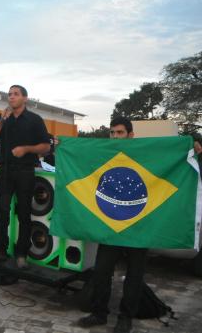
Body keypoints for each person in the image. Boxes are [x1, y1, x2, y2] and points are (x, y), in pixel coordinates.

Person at [77, 117, 147, 333]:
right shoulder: (105, 153)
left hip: (138, 228)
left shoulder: (145, 154)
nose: (115, 136)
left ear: (131, 135)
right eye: (112, 133)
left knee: (134, 277)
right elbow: (82, 158)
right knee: (101, 272)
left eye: (120, 133)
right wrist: (65, 147)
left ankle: (126, 317)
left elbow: (170, 158)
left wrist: (190, 147)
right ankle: (99, 313)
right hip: (111, 227)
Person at [0, 85, 50, 269]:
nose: (11, 97)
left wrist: (27, 149)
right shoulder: (4, 117)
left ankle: (22, 253)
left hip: (25, 171)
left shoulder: (35, 120)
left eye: (15, 94)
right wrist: (1, 121)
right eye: (9, 94)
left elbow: (46, 146)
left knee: (24, 213)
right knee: (1, 211)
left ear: (25, 98)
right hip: (5, 170)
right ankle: (0, 250)